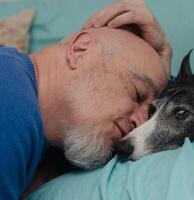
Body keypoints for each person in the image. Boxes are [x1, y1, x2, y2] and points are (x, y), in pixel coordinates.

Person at [0, 0, 172, 199]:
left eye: (149, 111)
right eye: (137, 93)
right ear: (80, 50)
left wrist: (164, 55)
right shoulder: (10, 101)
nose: (141, 123)